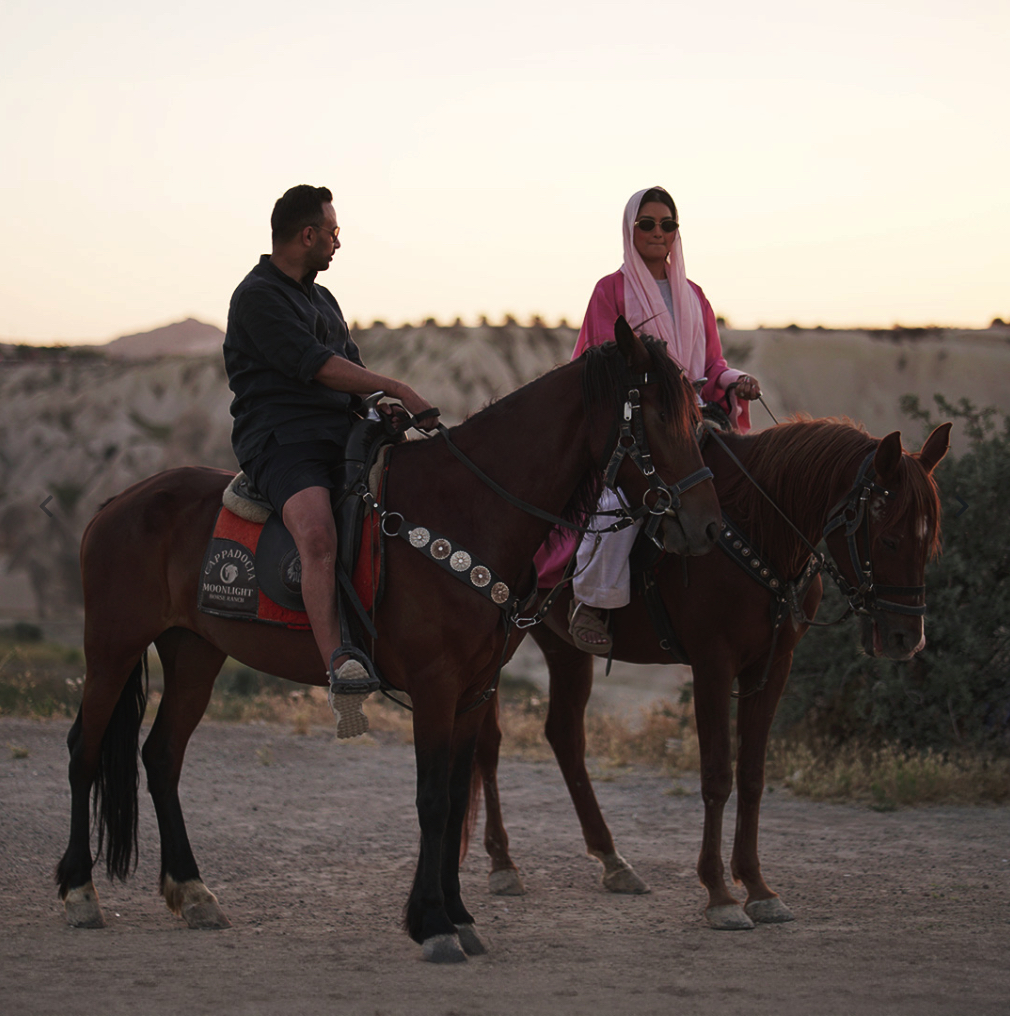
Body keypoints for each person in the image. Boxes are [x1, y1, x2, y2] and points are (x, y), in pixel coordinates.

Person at [224, 185, 439, 694]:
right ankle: (339, 661)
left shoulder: (322, 299)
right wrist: (398, 387)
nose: (338, 244)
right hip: (282, 443)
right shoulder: (256, 297)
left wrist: (377, 406)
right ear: (307, 235)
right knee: (318, 535)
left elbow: (350, 369)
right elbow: (317, 366)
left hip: (340, 434)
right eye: (333, 232)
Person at [543, 186, 762, 653]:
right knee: (618, 504)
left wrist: (737, 380)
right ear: (631, 230)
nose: (658, 233)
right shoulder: (611, 290)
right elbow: (602, 360)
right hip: (638, 423)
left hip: (694, 421)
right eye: (648, 224)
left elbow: (714, 366)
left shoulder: (695, 296)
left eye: (667, 225)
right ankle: (592, 601)